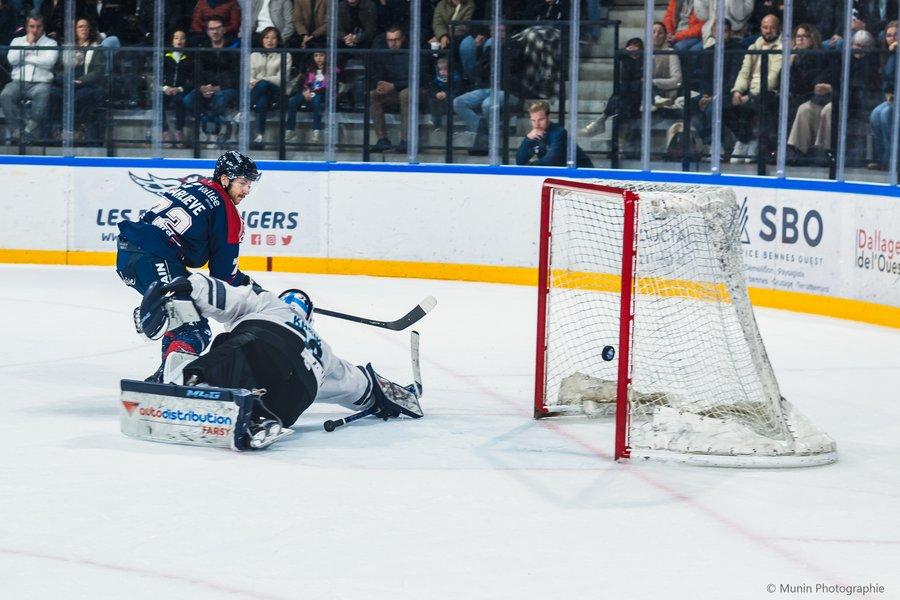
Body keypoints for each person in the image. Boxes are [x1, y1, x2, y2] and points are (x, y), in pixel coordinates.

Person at [131, 273, 422, 450]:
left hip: (264, 344)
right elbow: (360, 386)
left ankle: (192, 382)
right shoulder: (325, 352)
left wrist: (187, 287)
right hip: (300, 388)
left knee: (231, 350)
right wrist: (388, 396)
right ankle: (261, 416)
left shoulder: (270, 304)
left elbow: (223, 296)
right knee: (281, 397)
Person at [116, 151, 262, 382]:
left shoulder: (194, 187)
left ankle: (165, 374)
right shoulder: (227, 212)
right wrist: (254, 290)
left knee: (181, 316)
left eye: (249, 185)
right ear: (225, 179)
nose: (246, 191)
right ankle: (171, 378)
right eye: (242, 183)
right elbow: (223, 278)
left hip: (128, 255)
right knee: (195, 329)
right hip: (154, 257)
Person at [724, 12, 782, 164]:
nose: (768, 31)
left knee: (758, 103)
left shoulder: (782, 48)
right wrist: (737, 91)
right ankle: (745, 140)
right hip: (748, 91)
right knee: (723, 106)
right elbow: (744, 72)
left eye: (772, 27)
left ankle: (756, 143)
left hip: (770, 91)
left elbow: (773, 78)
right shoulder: (753, 46)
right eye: (765, 27)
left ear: (778, 29)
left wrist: (749, 96)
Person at [1, 12, 58, 143]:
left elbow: (49, 62)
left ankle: (28, 130)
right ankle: (17, 131)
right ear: (27, 27)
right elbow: (12, 60)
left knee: (43, 94)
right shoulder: (17, 41)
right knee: (5, 95)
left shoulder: (51, 43)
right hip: (18, 82)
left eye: (38, 26)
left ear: (43, 27)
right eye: (32, 26)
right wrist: (28, 44)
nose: (35, 30)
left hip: (41, 83)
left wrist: (25, 56)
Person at [183, 16, 240, 146]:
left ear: (224, 29)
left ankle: (208, 128)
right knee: (188, 99)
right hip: (205, 88)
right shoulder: (202, 48)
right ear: (207, 31)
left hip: (226, 88)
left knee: (220, 98)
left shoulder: (234, 47)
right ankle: (221, 124)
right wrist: (202, 87)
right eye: (211, 29)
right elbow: (197, 72)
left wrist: (218, 87)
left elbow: (236, 74)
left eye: (218, 28)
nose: (215, 32)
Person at [368, 25, 412, 153]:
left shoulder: (411, 53)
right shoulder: (383, 54)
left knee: (405, 94)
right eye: (390, 40)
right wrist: (380, 85)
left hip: (415, 90)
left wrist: (394, 86)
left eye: (396, 39)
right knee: (374, 94)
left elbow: (418, 79)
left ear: (402, 39)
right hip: (393, 91)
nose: (393, 43)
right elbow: (375, 75)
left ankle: (406, 141)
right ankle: (382, 140)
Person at [516, 100, 594, 168]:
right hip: (561, 174)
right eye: (533, 120)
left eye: (541, 120)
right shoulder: (534, 135)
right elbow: (520, 162)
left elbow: (551, 161)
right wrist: (527, 139)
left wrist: (530, 166)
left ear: (548, 117)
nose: (537, 124)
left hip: (583, 173)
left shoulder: (559, 133)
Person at [249, 26, 292, 146]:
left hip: (277, 91)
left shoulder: (285, 55)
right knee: (262, 101)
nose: (270, 41)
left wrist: (262, 80)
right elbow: (249, 76)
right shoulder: (254, 55)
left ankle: (246, 109)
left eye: (273, 38)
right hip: (259, 91)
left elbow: (282, 78)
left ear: (278, 40)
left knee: (263, 84)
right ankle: (260, 136)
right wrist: (255, 81)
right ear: (262, 39)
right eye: (266, 37)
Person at [285, 50, 336, 143]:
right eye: (316, 55)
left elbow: (331, 86)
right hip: (310, 93)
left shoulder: (332, 69)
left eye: (321, 55)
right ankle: (290, 130)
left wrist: (313, 93)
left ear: (326, 57)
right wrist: (306, 91)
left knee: (316, 100)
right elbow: (306, 83)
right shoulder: (310, 69)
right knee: (292, 101)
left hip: (323, 94)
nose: (319, 58)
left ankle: (316, 130)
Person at [161, 28, 193, 147]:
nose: (179, 40)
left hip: (180, 90)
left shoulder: (189, 58)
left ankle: (179, 131)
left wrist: (179, 88)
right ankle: (164, 132)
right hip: (166, 89)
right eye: (176, 38)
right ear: (172, 41)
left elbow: (192, 79)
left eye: (182, 38)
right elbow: (158, 76)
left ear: (185, 41)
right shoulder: (166, 56)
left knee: (180, 100)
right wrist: (165, 88)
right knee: (158, 100)